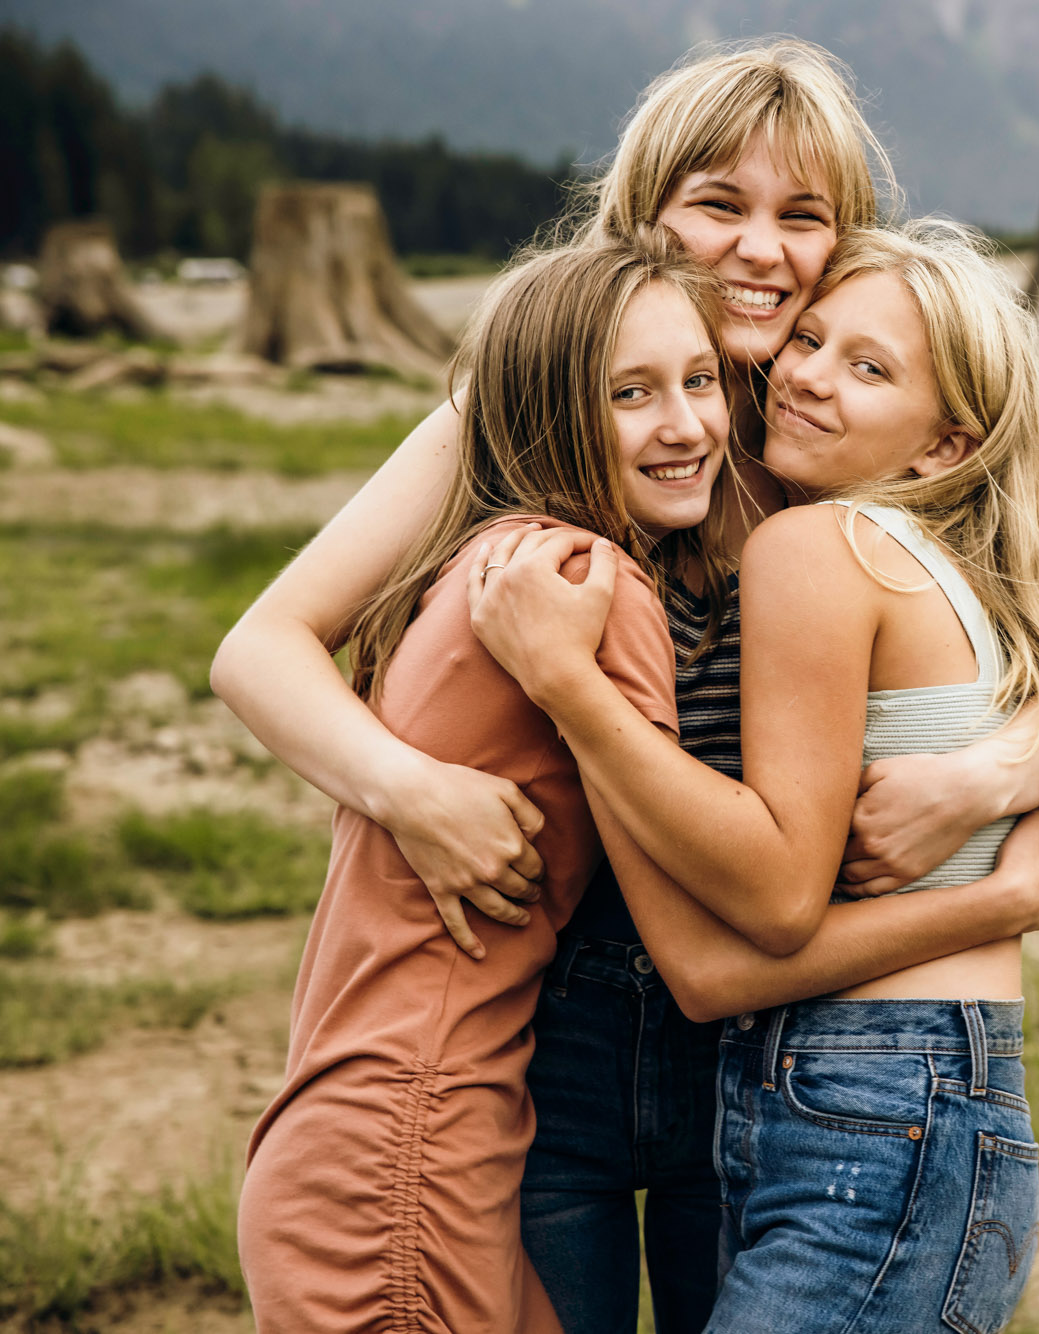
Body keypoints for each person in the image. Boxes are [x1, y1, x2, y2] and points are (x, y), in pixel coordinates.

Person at [212, 39, 1039, 1332]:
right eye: (717, 204)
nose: (760, 249)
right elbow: (261, 644)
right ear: (644, 215)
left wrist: (998, 768)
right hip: (550, 1026)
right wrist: (410, 792)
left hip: (748, 1034)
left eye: (805, 216)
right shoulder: (539, 404)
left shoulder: (834, 446)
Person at [466, 219, 1039, 1333]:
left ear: (943, 444)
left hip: (870, 1093)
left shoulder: (816, 545)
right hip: (920, 1094)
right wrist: (993, 836)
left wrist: (569, 686)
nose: (804, 377)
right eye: (812, 340)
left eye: (867, 367)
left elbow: (777, 900)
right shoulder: (955, 564)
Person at [235, 232, 716, 1333]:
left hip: (373, 1131)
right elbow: (698, 927)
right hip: (405, 1154)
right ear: (549, 412)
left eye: (699, 381)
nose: (684, 423)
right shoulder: (584, 584)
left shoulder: (482, 559)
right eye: (631, 393)